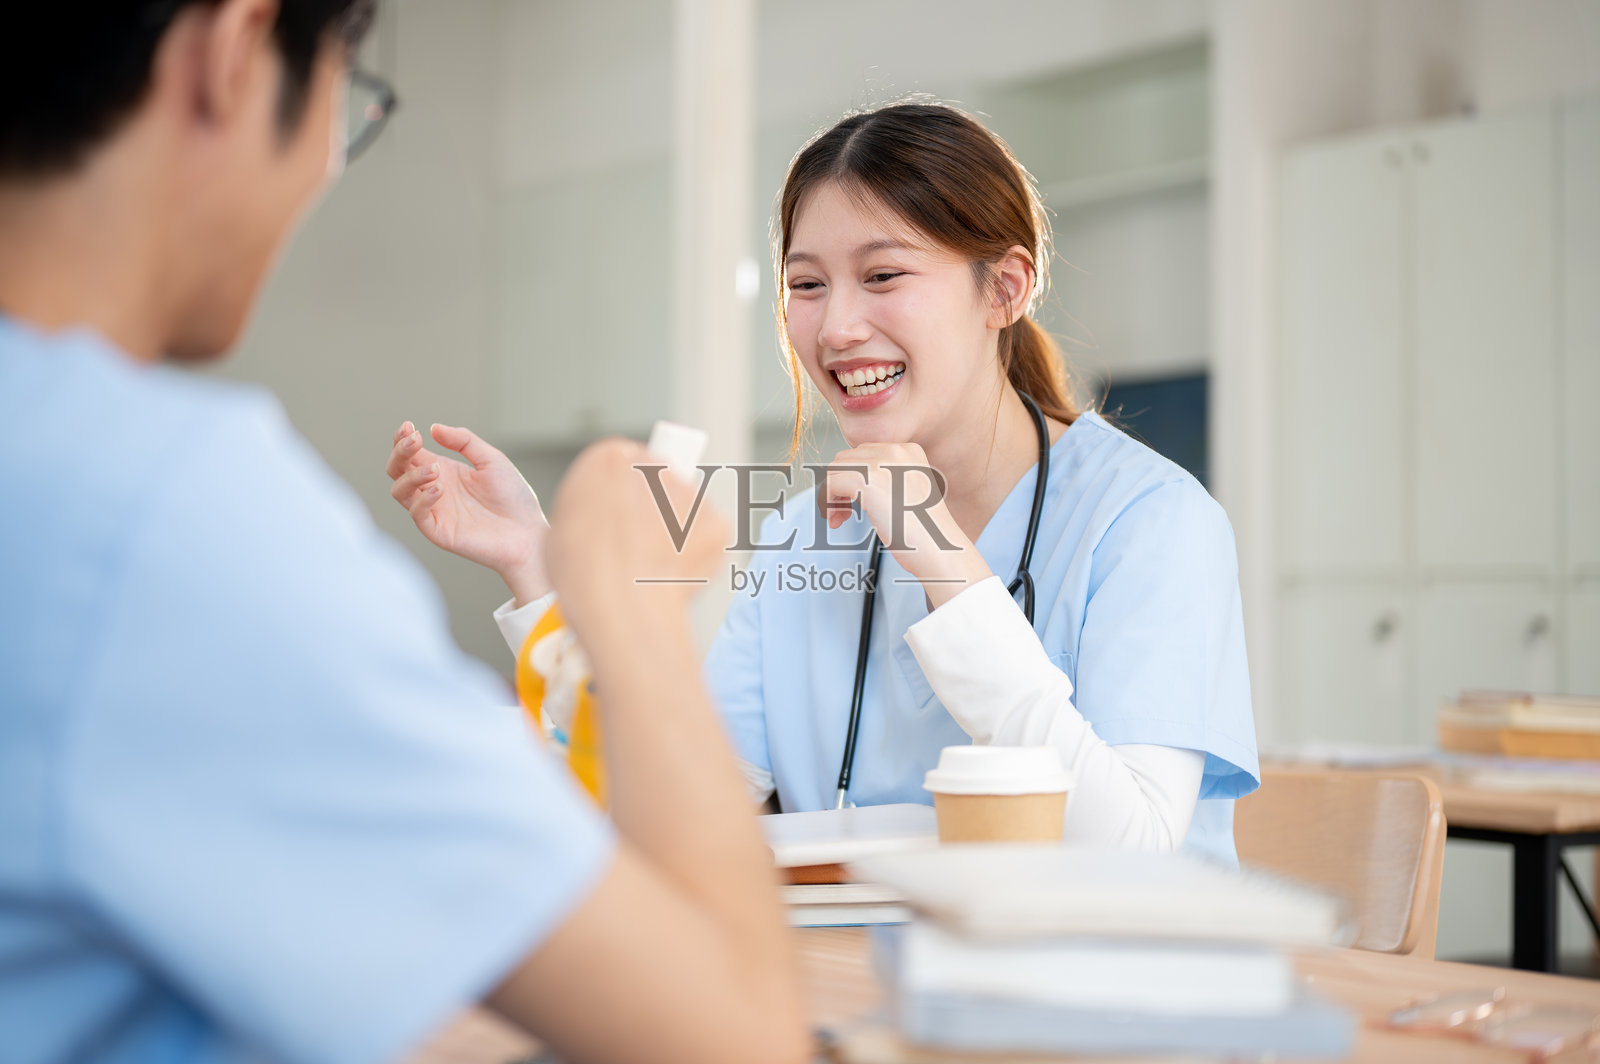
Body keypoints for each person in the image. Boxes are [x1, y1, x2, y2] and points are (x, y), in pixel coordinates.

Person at [0, 3, 808, 1064]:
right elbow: (733, 1036)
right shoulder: (157, 513)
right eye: (346, 98)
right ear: (236, 54)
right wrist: (633, 610)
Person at [387, 103, 1260, 865]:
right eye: (807, 285)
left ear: (1005, 287)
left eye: (883, 275)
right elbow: (673, 822)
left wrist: (944, 565)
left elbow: (1132, 853)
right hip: (866, 997)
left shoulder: (1149, 520)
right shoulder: (808, 532)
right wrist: (539, 571)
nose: (837, 327)